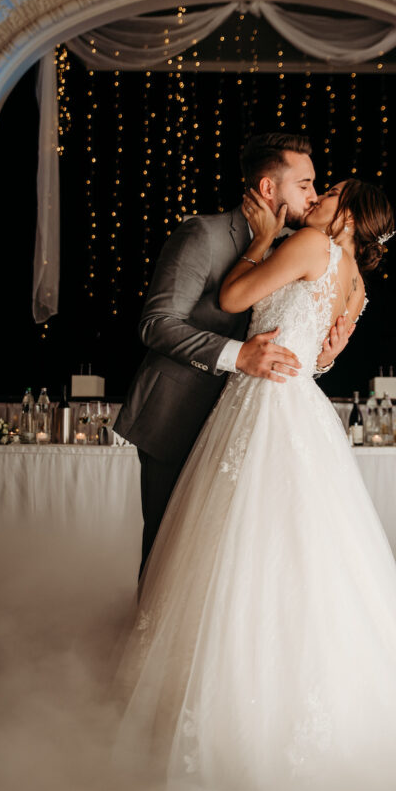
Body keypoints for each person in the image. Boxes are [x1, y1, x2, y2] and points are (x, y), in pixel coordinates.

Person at [113, 177, 396, 791]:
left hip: (263, 400)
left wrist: (263, 241)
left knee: (245, 541)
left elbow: (237, 295)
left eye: (331, 193)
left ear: (346, 213)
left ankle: (235, 700)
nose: (317, 198)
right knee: (307, 549)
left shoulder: (310, 245)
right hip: (306, 409)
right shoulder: (356, 278)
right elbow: (322, 359)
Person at [114, 133, 352, 577]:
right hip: (178, 413)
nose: (315, 196)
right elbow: (156, 323)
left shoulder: (292, 246)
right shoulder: (201, 233)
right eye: (304, 185)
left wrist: (324, 357)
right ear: (268, 189)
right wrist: (237, 355)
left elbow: (288, 328)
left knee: (229, 558)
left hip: (245, 423)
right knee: (168, 554)